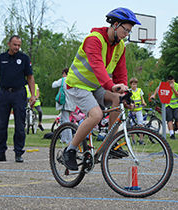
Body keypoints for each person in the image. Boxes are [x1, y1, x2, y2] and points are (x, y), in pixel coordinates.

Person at [62, 7, 139, 170]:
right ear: (116, 25)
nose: (127, 34)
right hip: (77, 85)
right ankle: (70, 150)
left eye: (129, 32)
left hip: (96, 85)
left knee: (118, 99)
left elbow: (120, 73)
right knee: (96, 115)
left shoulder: (120, 46)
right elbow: (97, 66)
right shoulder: (94, 39)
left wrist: (125, 94)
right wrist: (111, 86)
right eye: (126, 30)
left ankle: (109, 145)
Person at [0, 35, 36, 162]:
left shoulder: (24, 58)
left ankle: (18, 153)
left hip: (19, 94)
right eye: (14, 45)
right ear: (9, 44)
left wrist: (33, 95)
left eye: (19, 45)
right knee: (1, 125)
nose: (17, 47)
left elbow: (30, 77)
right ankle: (0, 152)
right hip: (4, 93)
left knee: (20, 125)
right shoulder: (1, 58)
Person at [151, 75, 178, 140]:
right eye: (169, 82)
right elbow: (158, 88)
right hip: (168, 105)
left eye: (171, 82)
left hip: (176, 105)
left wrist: (173, 88)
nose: (170, 83)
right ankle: (172, 134)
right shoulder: (165, 85)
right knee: (169, 119)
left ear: (174, 81)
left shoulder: (177, 86)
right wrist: (154, 95)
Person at [52, 68, 76, 143]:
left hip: (64, 103)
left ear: (65, 73)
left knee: (66, 121)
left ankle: (69, 139)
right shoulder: (73, 80)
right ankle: (63, 138)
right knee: (62, 120)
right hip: (71, 103)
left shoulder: (63, 80)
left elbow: (53, 85)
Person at [129, 77, 146, 144]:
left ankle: (141, 139)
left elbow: (142, 98)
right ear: (131, 84)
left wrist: (143, 103)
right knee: (132, 125)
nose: (134, 86)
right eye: (133, 84)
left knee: (140, 124)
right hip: (132, 110)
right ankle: (133, 140)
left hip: (139, 109)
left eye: (135, 84)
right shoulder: (129, 91)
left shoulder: (139, 90)